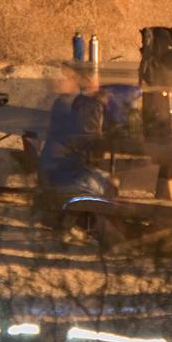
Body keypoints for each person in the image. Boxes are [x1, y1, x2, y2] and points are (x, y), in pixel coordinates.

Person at [35, 64, 112, 230]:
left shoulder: (63, 101)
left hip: (50, 171)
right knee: (107, 182)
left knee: (101, 177)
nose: (60, 80)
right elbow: (91, 139)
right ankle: (87, 223)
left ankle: (72, 218)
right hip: (63, 174)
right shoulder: (74, 105)